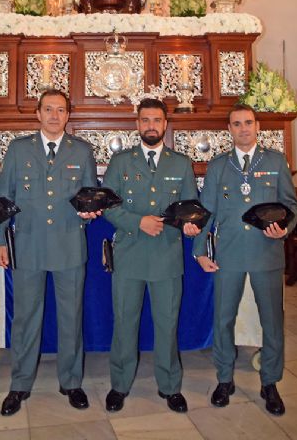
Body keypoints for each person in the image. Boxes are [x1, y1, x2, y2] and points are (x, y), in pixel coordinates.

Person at [0, 89, 97, 415]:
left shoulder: (81, 151)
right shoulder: (18, 149)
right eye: (48, 109)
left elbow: (90, 196)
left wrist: (90, 211)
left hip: (68, 245)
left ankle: (71, 381)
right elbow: (4, 197)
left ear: (69, 115)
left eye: (61, 110)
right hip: (29, 245)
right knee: (25, 318)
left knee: (70, 316)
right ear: (38, 113)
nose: (55, 115)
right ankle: (20, 383)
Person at [193, 103, 297, 416]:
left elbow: (291, 206)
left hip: (266, 253)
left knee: (272, 322)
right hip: (229, 255)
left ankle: (270, 382)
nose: (243, 129)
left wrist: (283, 230)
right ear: (229, 129)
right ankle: (224, 380)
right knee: (223, 319)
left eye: (248, 123)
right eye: (237, 124)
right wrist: (199, 250)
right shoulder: (218, 166)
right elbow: (207, 212)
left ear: (257, 127)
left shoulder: (276, 162)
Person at [102, 98, 200, 413]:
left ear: (165, 124)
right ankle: (119, 385)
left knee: (167, 324)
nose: (151, 126)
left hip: (166, 256)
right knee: (124, 323)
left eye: (157, 120)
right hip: (129, 254)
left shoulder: (180, 163)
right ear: (137, 124)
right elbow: (109, 205)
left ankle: (170, 386)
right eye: (145, 120)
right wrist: (138, 221)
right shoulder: (120, 161)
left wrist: (190, 226)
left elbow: (190, 207)